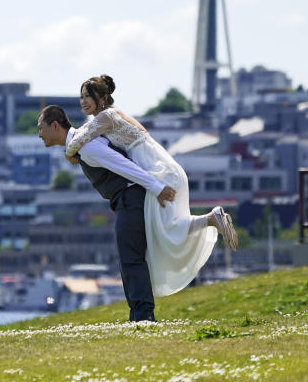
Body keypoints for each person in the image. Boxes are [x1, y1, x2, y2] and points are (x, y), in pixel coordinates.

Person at [65, 75, 238, 298]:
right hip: (163, 167)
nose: (83, 101)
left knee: (164, 233)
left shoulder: (106, 116)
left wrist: (69, 154)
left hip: (158, 171)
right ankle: (212, 219)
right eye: (81, 97)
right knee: (167, 229)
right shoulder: (114, 115)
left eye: (89, 96)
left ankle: (212, 219)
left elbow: (79, 139)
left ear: (104, 97)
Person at [37, 105, 170, 322]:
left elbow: (124, 166)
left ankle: (143, 316)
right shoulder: (78, 145)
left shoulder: (86, 146)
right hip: (125, 200)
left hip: (130, 197)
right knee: (129, 258)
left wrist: (157, 187)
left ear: (55, 125)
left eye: (40, 128)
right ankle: (139, 314)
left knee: (131, 259)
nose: (39, 134)